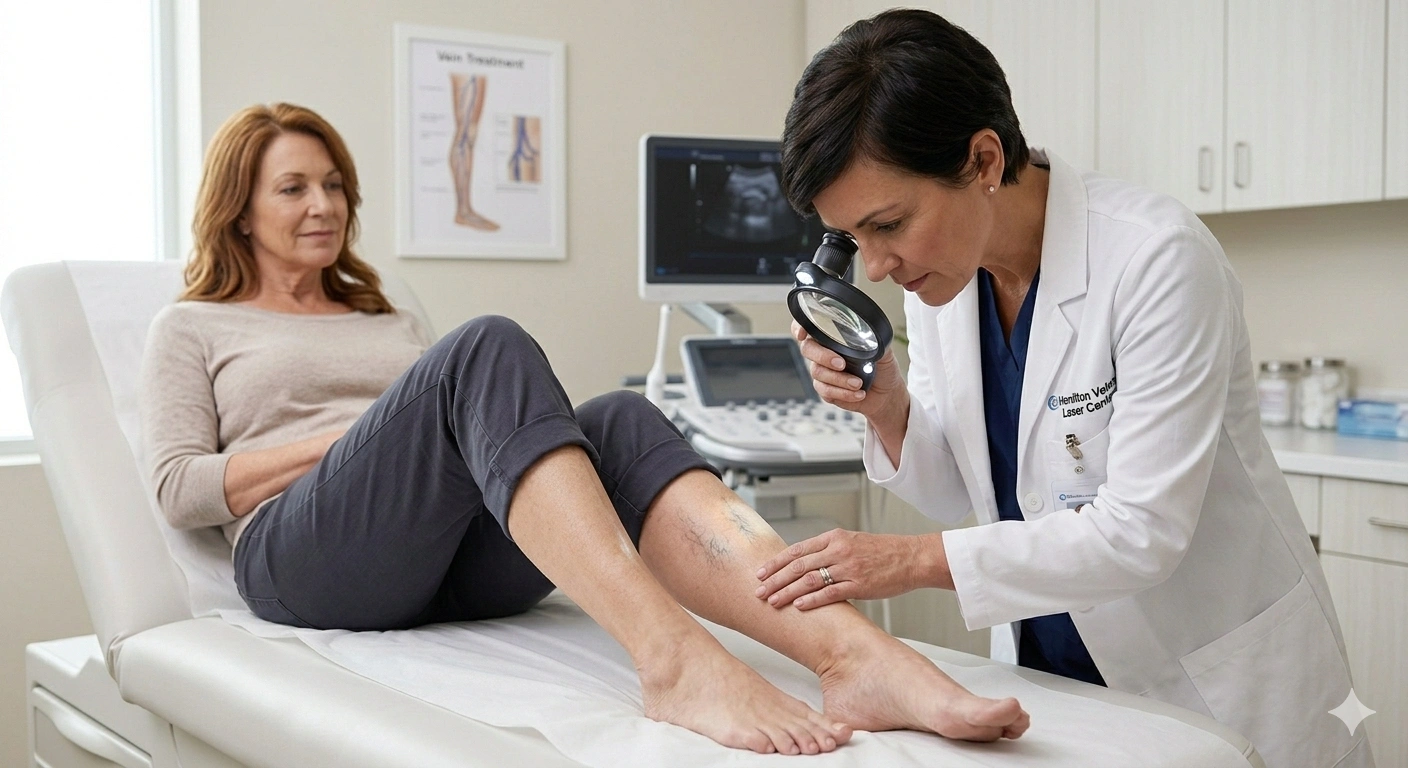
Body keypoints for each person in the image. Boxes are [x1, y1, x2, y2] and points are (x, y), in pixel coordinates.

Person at [139, 102, 1032, 757]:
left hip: (443, 565)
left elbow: (451, 446)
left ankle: (853, 652)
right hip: (307, 561)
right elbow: (179, 488)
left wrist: (432, 436)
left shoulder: (384, 315)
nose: (323, 203)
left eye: (333, 184)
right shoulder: (194, 326)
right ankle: (673, 656)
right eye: (292, 187)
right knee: (485, 344)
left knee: (618, 417)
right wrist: (360, 443)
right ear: (238, 207)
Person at [760, 10, 1372, 768]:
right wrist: (886, 405)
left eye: (889, 224)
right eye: (855, 240)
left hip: (1213, 675)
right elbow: (972, 502)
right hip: (1055, 670)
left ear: (984, 159)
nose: (877, 267)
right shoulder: (943, 284)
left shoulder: (1155, 258)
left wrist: (904, 562)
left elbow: (1140, 533)